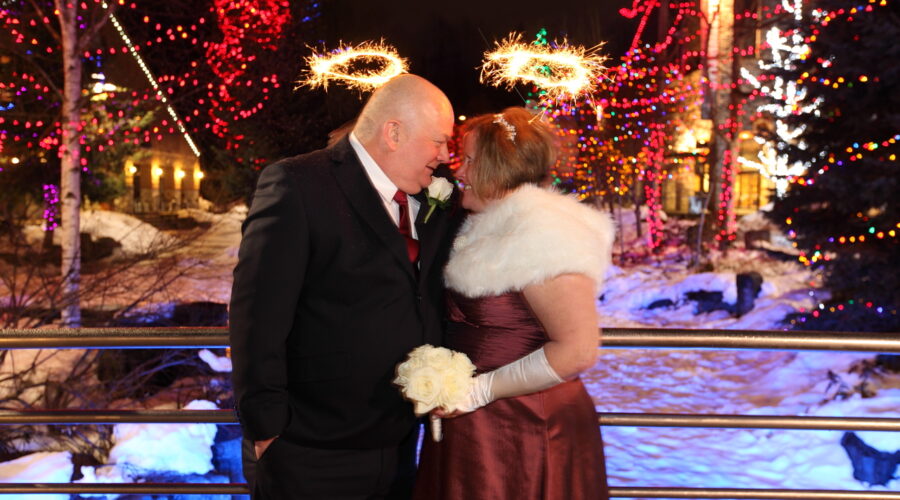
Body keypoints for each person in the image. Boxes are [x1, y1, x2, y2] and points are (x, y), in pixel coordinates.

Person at [229, 73, 461, 499]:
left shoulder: (432, 200)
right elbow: (256, 317)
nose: (446, 156)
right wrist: (267, 430)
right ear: (394, 132)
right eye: (439, 141)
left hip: (400, 446)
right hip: (311, 452)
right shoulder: (298, 185)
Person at [413, 107, 614, 499]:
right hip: (476, 424)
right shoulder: (481, 223)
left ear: (497, 166)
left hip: (526, 426)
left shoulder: (545, 233)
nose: (459, 170)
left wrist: (478, 391)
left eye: (470, 160)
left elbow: (578, 350)